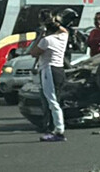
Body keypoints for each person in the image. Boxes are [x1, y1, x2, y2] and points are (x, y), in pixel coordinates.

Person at [29, 10, 69, 142]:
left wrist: (41, 34)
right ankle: (56, 128)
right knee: (55, 99)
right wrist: (54, 23)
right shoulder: (63, 36)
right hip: (59, 69)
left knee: (52, 101)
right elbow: (63, 29)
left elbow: (33, 52)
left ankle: (59, 130)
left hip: (49, 70)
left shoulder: (47, 40)